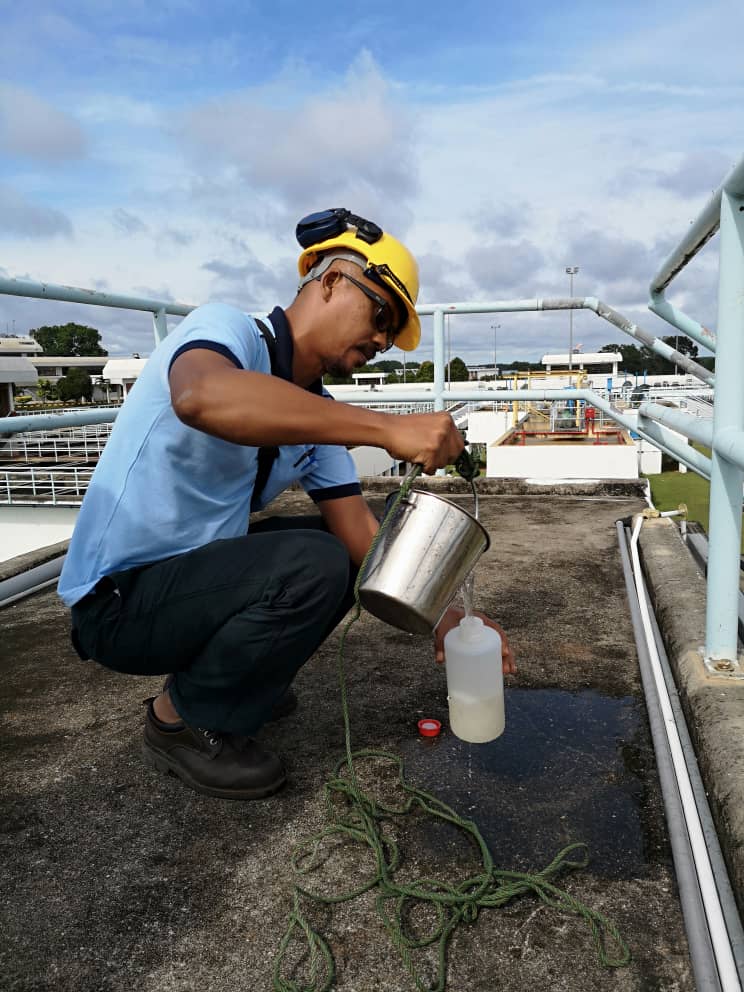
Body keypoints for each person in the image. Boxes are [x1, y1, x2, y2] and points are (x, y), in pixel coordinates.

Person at [58, 209, 515, 801]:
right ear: (328, 281)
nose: (381, 340)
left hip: (187, 585)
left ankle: (236, 679)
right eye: (381, 314)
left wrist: (448, 618)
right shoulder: (227, 331)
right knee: (310, 562)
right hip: (118, 602)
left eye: (393, 330)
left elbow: (362, 541)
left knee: (347, 556)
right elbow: (199, 395)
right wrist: (383, 428)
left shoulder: (315, 414)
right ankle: (181, 720)